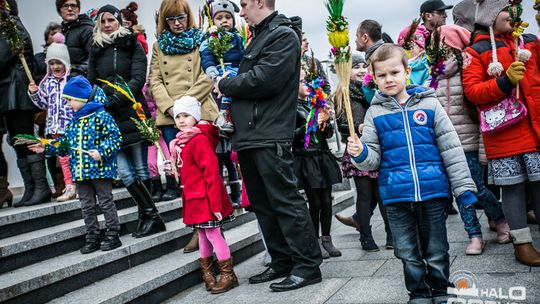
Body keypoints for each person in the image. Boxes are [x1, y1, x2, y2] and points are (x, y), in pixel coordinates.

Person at [348, 43, 477, 304]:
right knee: (407, 250)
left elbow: (450, 147)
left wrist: (463, 187)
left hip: (433, 192)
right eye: (382, 75)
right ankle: (418, 291)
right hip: (396, 196)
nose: (389, 79)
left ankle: (441, 289)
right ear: (374, 78)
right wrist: (360, 152)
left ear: (406, 72)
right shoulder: (375, 113)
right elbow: (371, 162)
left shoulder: (430, 104)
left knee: (437, 248)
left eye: (394, 72)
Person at [216, 0, 322, 292]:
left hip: (269, 131)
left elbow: (265, 80)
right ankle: (282, 260)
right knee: (263, 204)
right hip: (251, 133)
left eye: (245, 4)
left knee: (285, 201)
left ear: (261, 2)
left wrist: (226, 83)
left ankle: (307, 265)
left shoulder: (282, 34)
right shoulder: (259, 34)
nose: (241, 11)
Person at [462, 0, 540, 266]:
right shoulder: (476, 51)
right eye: (506, 8)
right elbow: (473, 91)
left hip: (536, 129)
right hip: (504, 133)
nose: (513, 13)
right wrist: (504, 81)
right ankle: (522, 243)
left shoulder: (529, 41)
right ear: (490, 15)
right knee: (514, 189)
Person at [88, 5, 166, 238]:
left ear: (119, 21)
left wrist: (117, 98)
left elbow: (138, 78)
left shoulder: (132, 43)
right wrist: (102, 101)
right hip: (110, 116)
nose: (107, 25)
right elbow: (92, 80)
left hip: (132, 111)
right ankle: (151, 215)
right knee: (124, 171)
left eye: (111, 20)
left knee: (141, 168)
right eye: (103, 21)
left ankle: (147, 216)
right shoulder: (96, 48)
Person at [150, 0, 219, 253]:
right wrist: (172, 108)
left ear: (188, 17)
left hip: (199, 111)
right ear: (164, 21)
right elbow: (154, 80)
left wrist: (187, 105)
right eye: (171, 19)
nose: (177, 23)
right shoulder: (158, 47)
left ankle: (215, 223)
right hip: (170, 117)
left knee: (207, 172)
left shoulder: (202, 40)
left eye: (180, 18)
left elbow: (207, 76)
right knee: (185, 178)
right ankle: (197, 228)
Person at [435, 24, 510, 255]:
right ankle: (474, 235)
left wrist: (482, 146)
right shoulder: (431, 74)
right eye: (437, 46)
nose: (441, 51)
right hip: (443, 143)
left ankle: (500, 219)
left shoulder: (468, 68)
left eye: (444, 46)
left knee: (478, 188)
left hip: (467, 140)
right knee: (460, 192)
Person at [29, 75, 123, 254]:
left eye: (70, 100)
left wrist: (101, 151)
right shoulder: (74, 122)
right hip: (80, 172)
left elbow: (115, 138)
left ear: (81, 98)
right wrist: (46, 146)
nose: (68, 104)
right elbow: (65, 145)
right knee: (86, 205)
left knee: (105, 201)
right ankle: (92, 236)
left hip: (100, 170)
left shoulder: (101, 116)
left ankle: (113, 234)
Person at [166, 96, 237, 294]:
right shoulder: (181, 141)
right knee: (203, 236)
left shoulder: (199, 140)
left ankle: (227, 274)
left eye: (186, 115)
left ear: (195, 117)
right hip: (193, 198)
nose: (181, 120)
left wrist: (216, 205)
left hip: (206, 198)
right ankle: (207, 273)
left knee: (214, 234)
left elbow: (212, 174)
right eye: (178, 116)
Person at [334, 52, 393, 252]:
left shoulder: (373, 90)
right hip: (358, 147)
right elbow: (342, 123)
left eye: (362, 67)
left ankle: (391, 234)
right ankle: (365, 236)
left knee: (382, 193)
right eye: (355, 67)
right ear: (346, 71)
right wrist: (358, 127)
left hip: (378, 147)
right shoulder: (343, 93)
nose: (360, 71)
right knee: (365, 194)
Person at [0, 0, 51, 208]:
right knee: (17, 140)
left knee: (26, 138)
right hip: (9, 94)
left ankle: (41, 188)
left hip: (19, 93)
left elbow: (2, 57)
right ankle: (31, 188)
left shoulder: (11, 24)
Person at [294, 69, 342, 258]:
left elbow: (328, 134)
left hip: (322, 155)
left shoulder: (315, 104)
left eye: (308, 81)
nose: (307, 85)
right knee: (314, 201)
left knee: (327, 200)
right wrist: (312, 122)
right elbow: (293, 135)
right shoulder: (292, 107)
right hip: (307, 158)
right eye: (302, 82)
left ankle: (327, 238)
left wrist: (327, 122)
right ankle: (314, 240)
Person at [28, 33, 77, 202]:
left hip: (71, 127)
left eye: (59, 63)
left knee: (75, 157)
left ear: (66, 63)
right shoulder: (47, 82)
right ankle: (70, 186)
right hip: (55, 128)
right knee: (63, 158)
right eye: (52, 63)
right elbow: (42, 104)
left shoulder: (70, 81)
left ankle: (80, 185)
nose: (56, 66)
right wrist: (34, 93)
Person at [200, 0, 244, 133]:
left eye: (228, 17)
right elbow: (207, 57)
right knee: (227, 82)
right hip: (220, 71)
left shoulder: (237, 37)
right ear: (212, 21)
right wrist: (213, 73)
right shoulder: (210, 39)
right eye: (219, 18)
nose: (224, 21)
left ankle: (233, 117)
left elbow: (243, 54)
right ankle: (223, 115)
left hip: (237, 70)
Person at [144, 84, 177, 202]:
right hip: (150, 129)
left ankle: (171, 186)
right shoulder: (142, 90)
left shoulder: (160, 87)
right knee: (150, 162)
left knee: (167, 158)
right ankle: (157, 188)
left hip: (163, 127)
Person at [56, 0, 93, 76]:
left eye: (73, 5)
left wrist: (76, 71)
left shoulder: (87, 30)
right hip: (63, 80)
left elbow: (93, 58)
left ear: (78, 10)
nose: (70, 9)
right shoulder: (59, 33)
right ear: (59, 11)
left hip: (81, 80)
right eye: (65, 6)